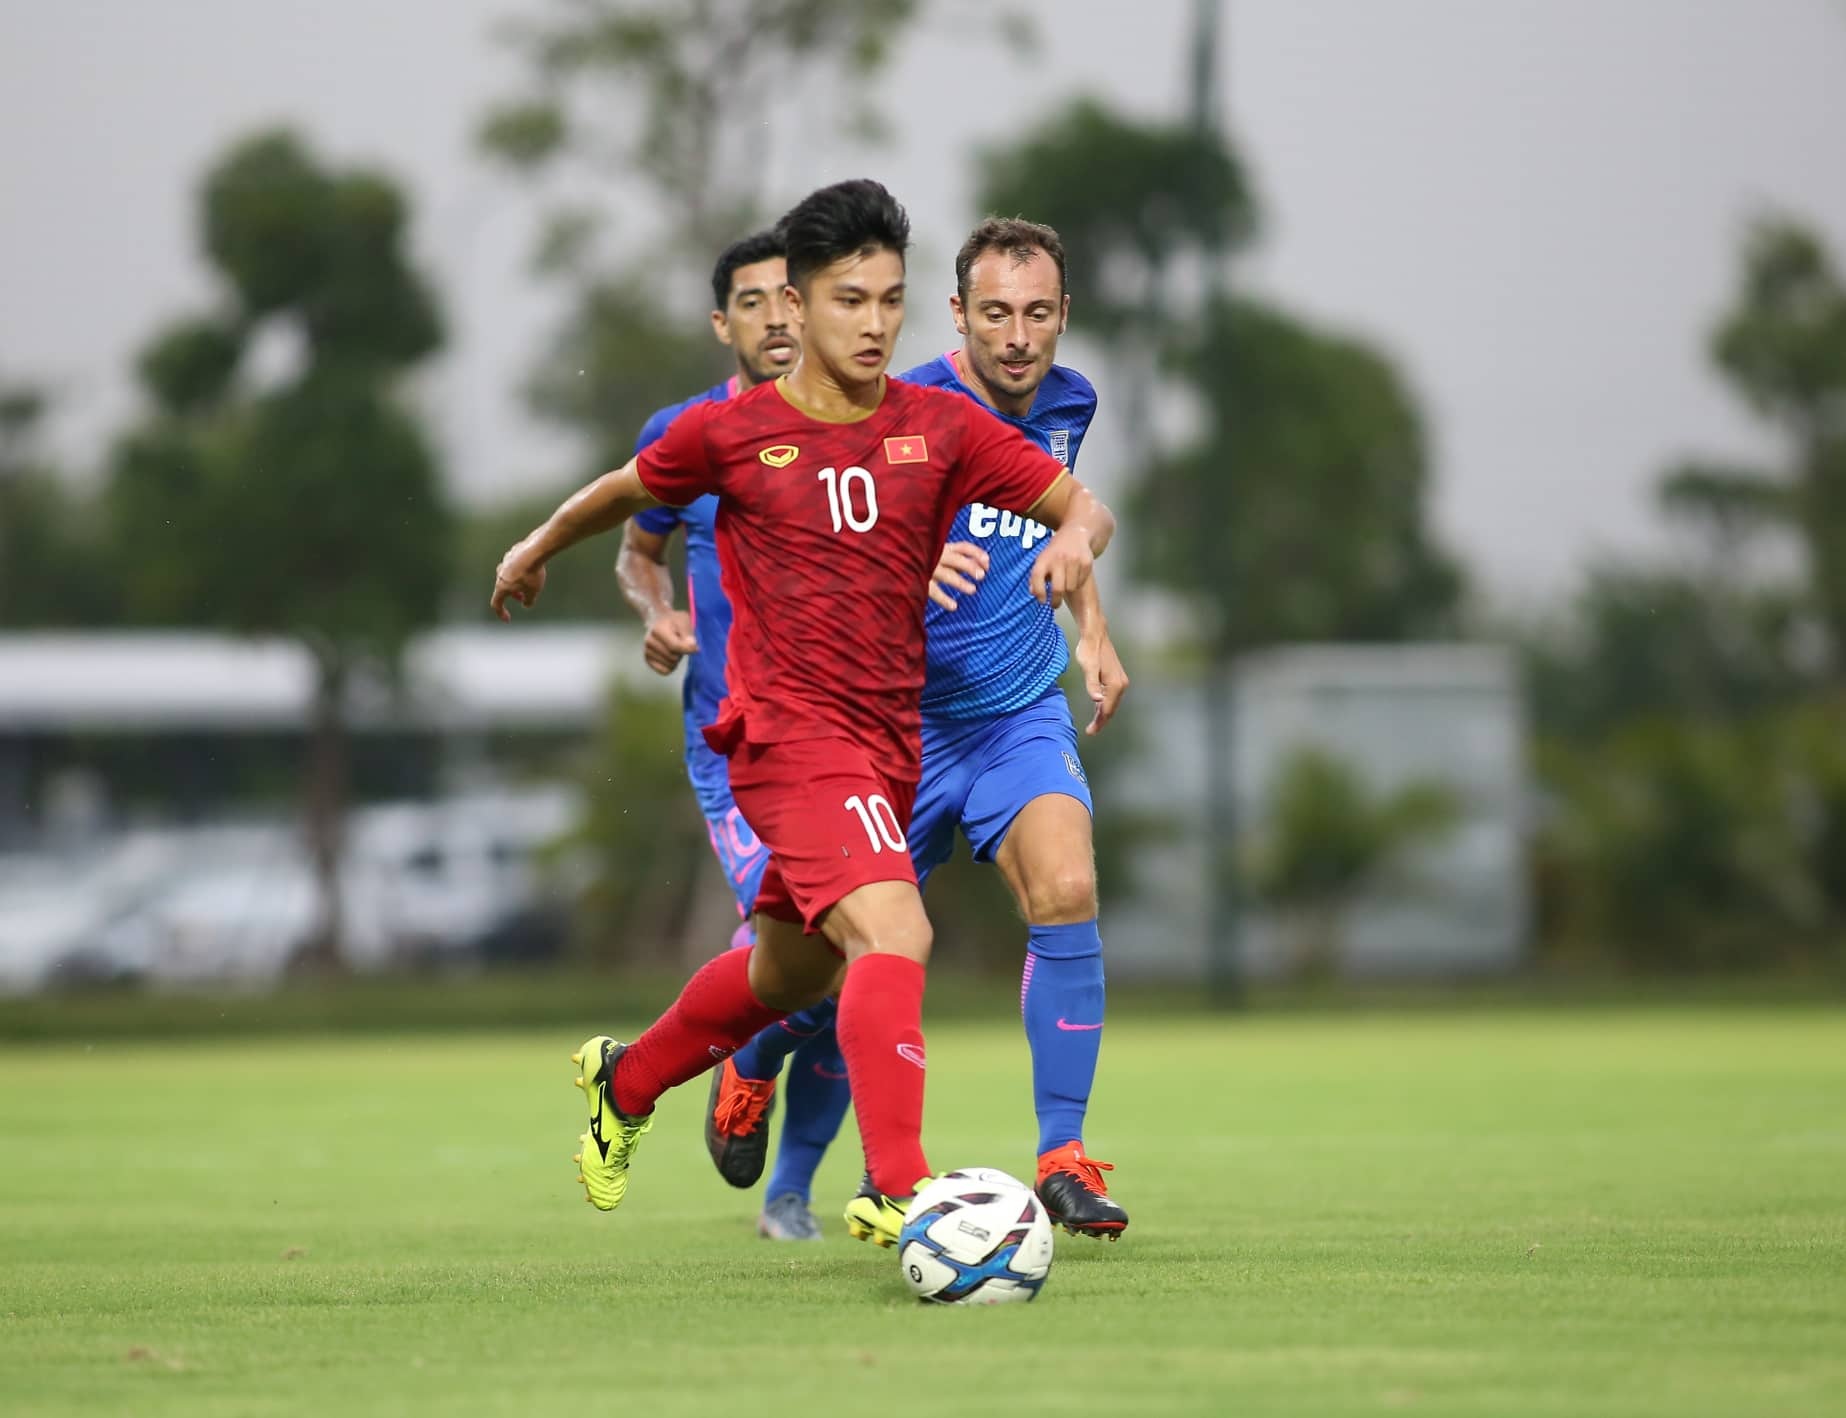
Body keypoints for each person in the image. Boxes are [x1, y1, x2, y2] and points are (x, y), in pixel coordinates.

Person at [489, 178, 1116, 1245]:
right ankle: (903, 1188)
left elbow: (1076, 501)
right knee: (896, 929)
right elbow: (624, 490)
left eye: (888, 300)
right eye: (846, 300)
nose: (872, 323)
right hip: (787, 740)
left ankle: (626, 1081)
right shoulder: (733, 435)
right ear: (798, 303)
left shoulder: (939, 426)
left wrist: (1074, 549)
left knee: (787, 975)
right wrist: (534, 548)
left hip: (888, 749)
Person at [705, 218, 1132, 1239]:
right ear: (957, 317)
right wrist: (899, 564)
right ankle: (751, 1054)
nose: (1019, 337)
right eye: (996, 314)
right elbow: (803, 527)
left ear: (1063, 316)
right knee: (815, 973)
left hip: (1015, 712)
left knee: (1067, 884)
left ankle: (1063, 1156)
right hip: (882, 724)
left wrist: (1095, 631)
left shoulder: (1070, 404)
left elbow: (1071, 519)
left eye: (1037, 314)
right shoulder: (893, 408)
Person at [613, 228, 850, 1242]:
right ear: (724, 322)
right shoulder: (689, 432)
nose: (774, 317)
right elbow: (634, 550)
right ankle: (743, 1060)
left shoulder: (864, 424)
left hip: (856, 738)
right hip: (736, 752)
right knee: (834, 950)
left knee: (859, 966)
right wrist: (654, 610)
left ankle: (788, 1190)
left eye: (787, 298)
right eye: (750, 302)